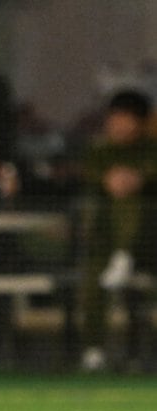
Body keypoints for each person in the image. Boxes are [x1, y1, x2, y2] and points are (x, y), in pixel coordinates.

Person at [77, 89, 157, 373]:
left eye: (126, 118)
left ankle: (126, 255)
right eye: (115, 118)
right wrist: (109, 180)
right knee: (93, 281)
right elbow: (88, 177)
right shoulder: (100, 152)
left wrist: (139, 179)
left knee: (133, 202)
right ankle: (93, 352)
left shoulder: (151, 150)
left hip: (150, 244)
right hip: (105, 243)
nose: (119, 125)